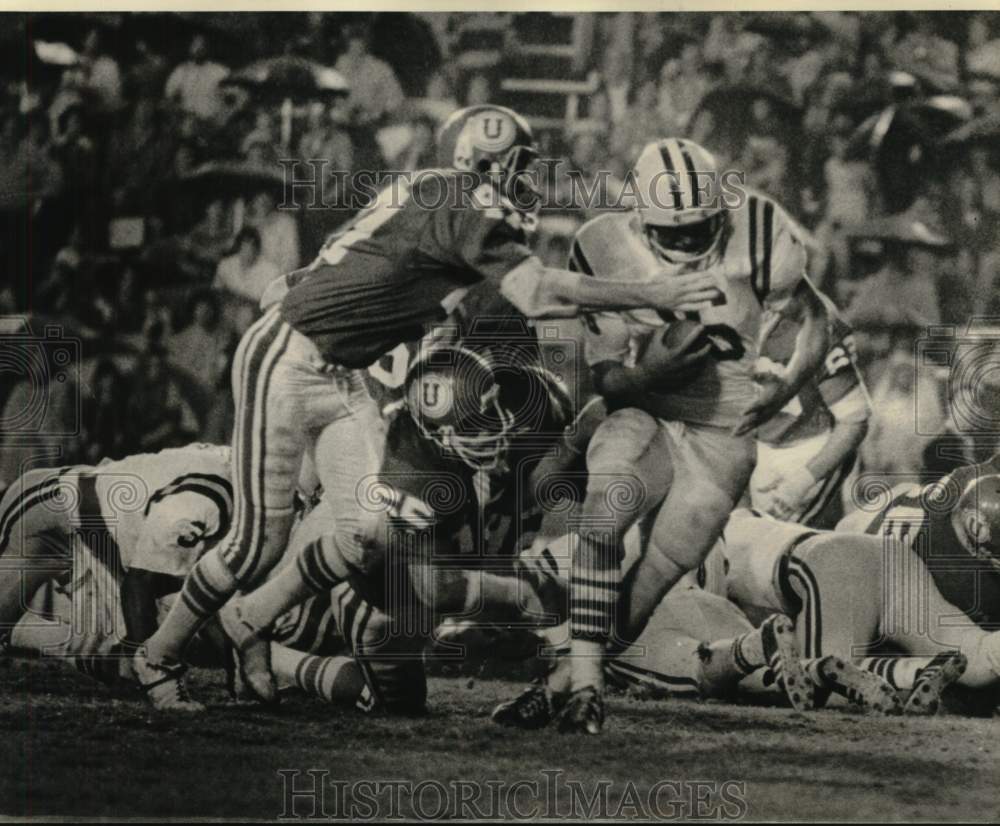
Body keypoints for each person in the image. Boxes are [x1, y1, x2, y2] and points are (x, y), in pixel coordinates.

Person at [133, 105, 716, 710]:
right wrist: (652, 293)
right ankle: (158, 654)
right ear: (478, 162)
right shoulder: (461, 202)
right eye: (516, 167)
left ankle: (246, 623)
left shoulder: (430, 191)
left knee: (370, 530)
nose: (526, 182)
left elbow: (342, 269)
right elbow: (539, 294)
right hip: (293, 359)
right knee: (259, 543)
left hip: (341, 372)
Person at [495, 138, 829, 734]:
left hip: (723, 436)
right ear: (640, 221)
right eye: (674, 233)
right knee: (602, 518)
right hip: (644, 408)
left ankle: (562, 687)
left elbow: (815, 319)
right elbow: (597, 374)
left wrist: (785, 388)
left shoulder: (758, 228)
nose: (689, 244)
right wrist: (649, 374)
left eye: (701, 228)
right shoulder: (602, 244)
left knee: (644, 588)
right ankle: (590, 692)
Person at [0, 444, 232, 711]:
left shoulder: (231, 473)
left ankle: (20, 634)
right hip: (51, 506)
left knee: (126, 663)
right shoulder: (206, 497)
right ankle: (15, 632)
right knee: (148, 648)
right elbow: (139, 583)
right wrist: (162, 684)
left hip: (103, 534)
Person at [750, 291, 870, 526]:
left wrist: (800, 482)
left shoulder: (814, 322)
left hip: (810, 450)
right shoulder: (721, 308)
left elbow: (854, 420)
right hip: (757, 448)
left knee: (794, 548)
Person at [164, 34, 230, 125]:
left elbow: (232, 98)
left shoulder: (220, 71)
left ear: (208, 48)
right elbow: (170, 96)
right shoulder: (181, 71)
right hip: (188, 124)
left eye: (202, 45)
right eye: (195, 45)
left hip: (212, 124)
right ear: (190, 48)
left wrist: (222, 118)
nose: (199, 49)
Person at [213, 227, 280, 306]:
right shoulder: (225, 265)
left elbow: (271, 304)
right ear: (238, 247)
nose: (247, 251)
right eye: (244, 246)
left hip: (255, 311)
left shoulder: (271, 271)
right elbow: (216, 292)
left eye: (252, 246)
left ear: (258, 249)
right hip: (228, 309)